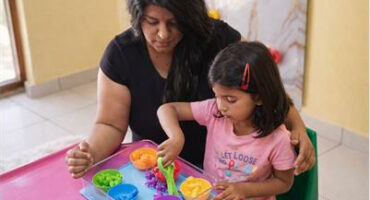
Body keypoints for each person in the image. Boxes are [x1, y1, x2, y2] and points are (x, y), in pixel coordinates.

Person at [65, 0, 314, 179]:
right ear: (138, 16)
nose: (162, 34)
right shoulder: (121, 54)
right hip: (154, 166)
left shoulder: (218, 39)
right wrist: (90, 154)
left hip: (215, 167)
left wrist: (298, 127)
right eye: (152, 22)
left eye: (174, 23)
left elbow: (265, 87)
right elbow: (110, 124)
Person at [157, 41, 298, 200]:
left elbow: (284, 182)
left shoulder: (278, 139)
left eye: (230, 99)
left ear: (259, 97)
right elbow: (168, 109)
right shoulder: (214, 111)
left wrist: (244, 190)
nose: (221, 106)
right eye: (217, 96)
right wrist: (176, 137)